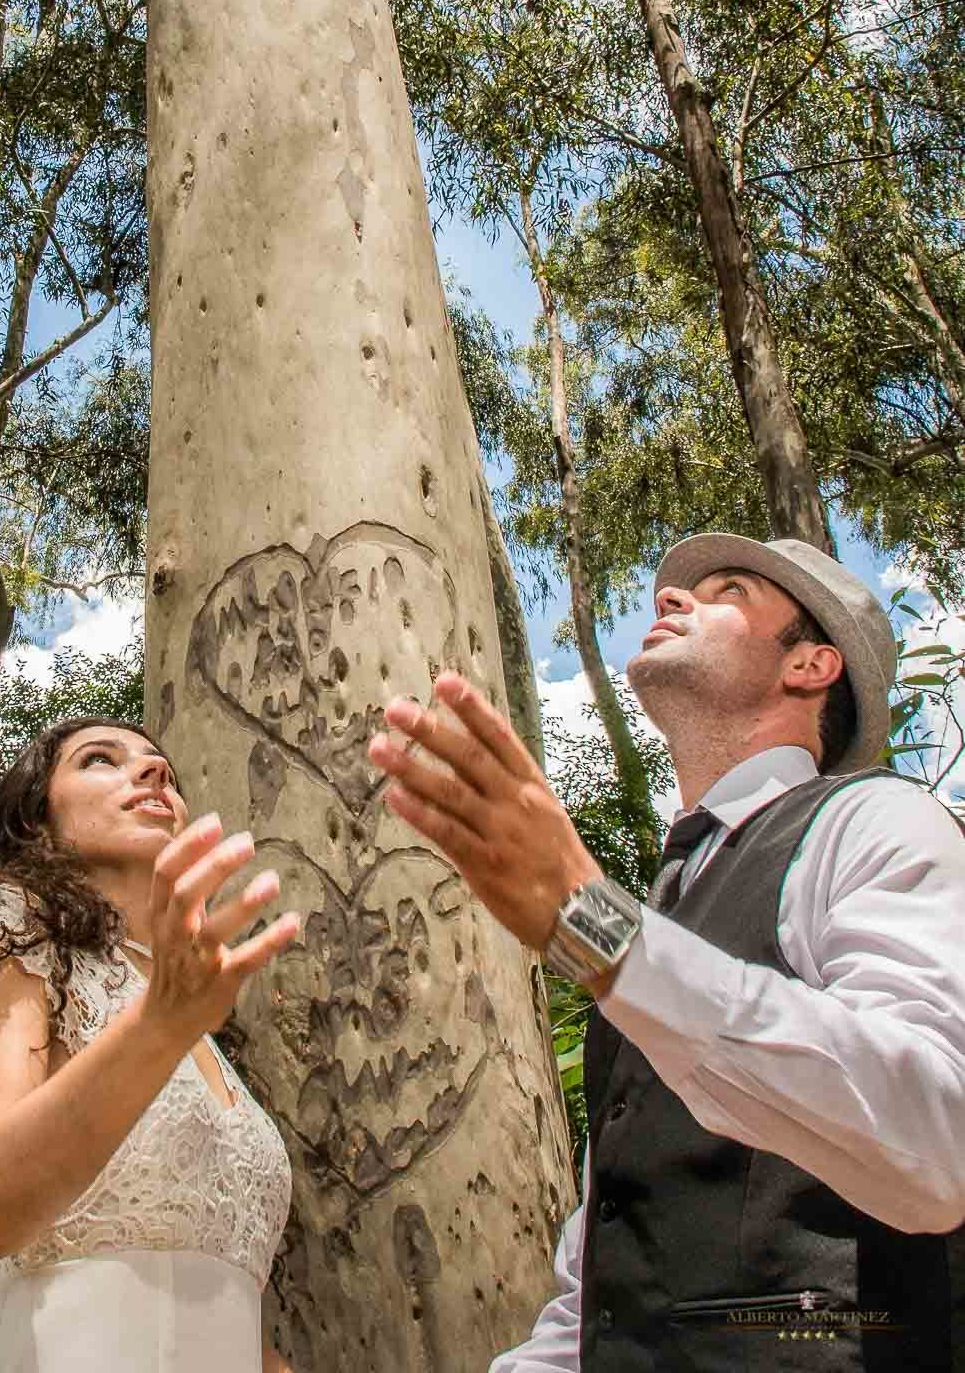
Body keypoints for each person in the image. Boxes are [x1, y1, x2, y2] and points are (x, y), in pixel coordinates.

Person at [369, 535, 965, 1369]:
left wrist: (600, 931)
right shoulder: (663, 908)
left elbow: (939, 1139)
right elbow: (597, 1290)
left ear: (810, 665)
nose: (670, 597)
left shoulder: (879, 823)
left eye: (730, 591)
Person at [0, 714, 302, 1373]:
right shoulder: (7, 936)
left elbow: (217, 1297)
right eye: (100, 759)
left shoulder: (192, 1013)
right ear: (38, 817)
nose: (154, 772)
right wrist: (161, 1026)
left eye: (164, 771)